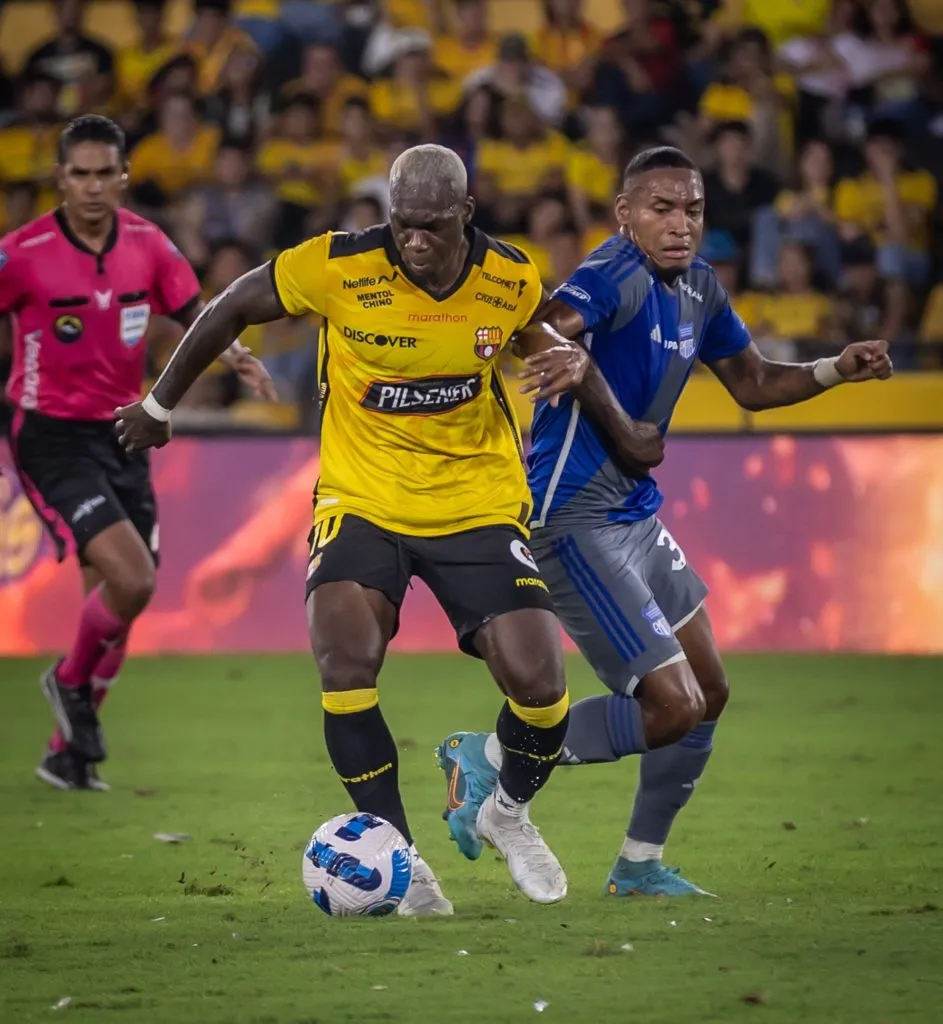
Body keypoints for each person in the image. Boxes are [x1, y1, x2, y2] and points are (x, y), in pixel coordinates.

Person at [114, 143, 642, 915]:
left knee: (542, 687)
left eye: (430, 225)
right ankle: (400, 857)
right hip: (362, 499)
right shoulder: (336, 265)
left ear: (465, 213)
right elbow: (231, 305)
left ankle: (505, 813)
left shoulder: (509, 277)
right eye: (402, 224)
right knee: (344, 660)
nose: (413, 241)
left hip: (475, 502)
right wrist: (159, 407)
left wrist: (579, 378)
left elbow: (544, 343)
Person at [437, 145, 893, 897]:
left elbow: (751, 384)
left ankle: (638, 866)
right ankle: (488, 756)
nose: (678, 223)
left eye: (691, 209)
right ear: (625, 215)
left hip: (634, 515)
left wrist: (834, 368)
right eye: (660, 208)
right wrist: (575, 365)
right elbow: (547, 325)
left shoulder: (700, 288)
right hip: (571, 515)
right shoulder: (613, 272)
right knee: (670, 703)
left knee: (706, 692)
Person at [0, 114, 275, 792]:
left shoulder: (149, 246)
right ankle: (67, 685)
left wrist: (234, 352)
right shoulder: (23, 252)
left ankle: (68, 755)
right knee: (134, 581)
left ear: (123, 176)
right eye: (80, 174)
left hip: (125, 432)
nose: (93, 187)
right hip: (51, 436)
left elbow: (195, 311)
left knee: (115, 606)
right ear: (61, 179)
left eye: (105, 174)